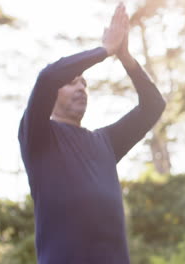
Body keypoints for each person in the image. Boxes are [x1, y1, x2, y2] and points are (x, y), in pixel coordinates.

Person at [18, 3, 165, 263]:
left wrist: (126, 57)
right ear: (52, 95)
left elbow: (153, 105)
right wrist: (104, 50)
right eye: (72, 82)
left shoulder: (105, 142)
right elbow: (48, 77)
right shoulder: (38, 135)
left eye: (84, 83)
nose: (81, 88)